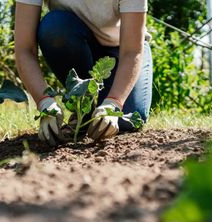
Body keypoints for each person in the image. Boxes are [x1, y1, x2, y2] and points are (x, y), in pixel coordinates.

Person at [14, 0, 153, 146]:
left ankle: (99, 106)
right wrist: (44, 102)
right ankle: (84, 109)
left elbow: (132, 52)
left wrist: (114, 103)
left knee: (125, 121)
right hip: (73, 40)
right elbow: (25, 50)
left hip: (122, 50)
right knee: (54, 28)